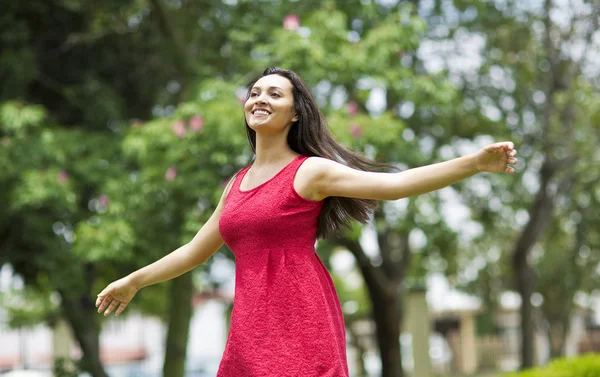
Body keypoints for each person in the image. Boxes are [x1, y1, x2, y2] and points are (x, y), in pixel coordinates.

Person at [96, 67, 518, 376]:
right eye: (255, 92)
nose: (260, 98)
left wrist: (474, 163)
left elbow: (397, 184)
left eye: (274, 95)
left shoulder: (309, 172)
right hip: (249, 326)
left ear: (295, 113)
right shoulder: (237, 185)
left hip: (299, 319)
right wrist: (136, 280)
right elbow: (194, 250)